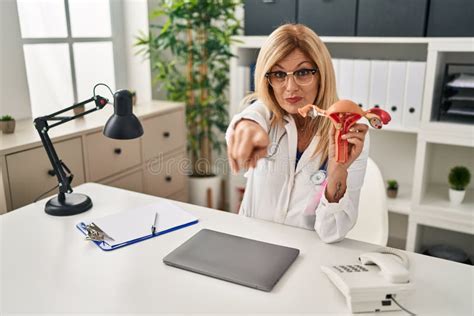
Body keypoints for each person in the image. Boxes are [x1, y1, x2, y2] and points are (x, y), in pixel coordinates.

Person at [226, 24, 369, 243]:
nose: (290, 87)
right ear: (268, 80)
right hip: (252, 245)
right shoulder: (264, 115)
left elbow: (332, 233)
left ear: (321, 74)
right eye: (279, 74)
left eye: (303, 72)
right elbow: (252, 116)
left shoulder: (348, 134)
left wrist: (337, 171)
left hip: (305, 255)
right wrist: (245, 126)